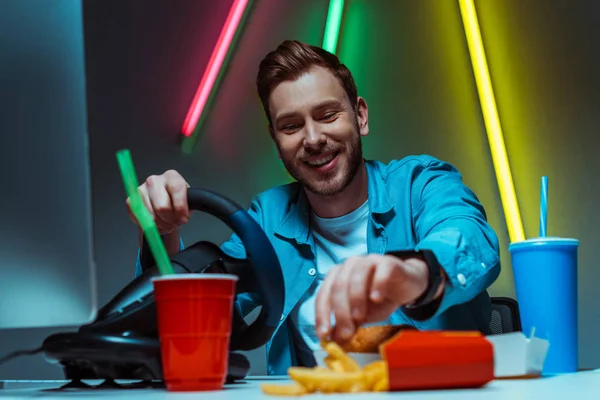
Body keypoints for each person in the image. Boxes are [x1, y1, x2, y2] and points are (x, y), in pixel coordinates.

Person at [127, 40, 501, 375]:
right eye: (291, 126)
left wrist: (412, 274)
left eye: (327, 115)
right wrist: (162, 233)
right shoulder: (266, 220)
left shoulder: (420, 182)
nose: (313, 138)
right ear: (276, 141)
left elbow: (470, 239)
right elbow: (192, 323)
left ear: (361, 116)